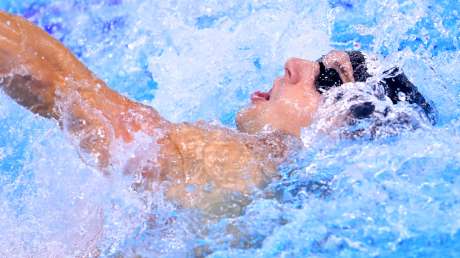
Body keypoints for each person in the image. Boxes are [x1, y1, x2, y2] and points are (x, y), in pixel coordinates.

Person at [0, 11, 434, 215]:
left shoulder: (256, 159)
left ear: (345, 130)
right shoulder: (285, 198)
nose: (297, 63)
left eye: (327, 80)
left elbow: (93, 112)